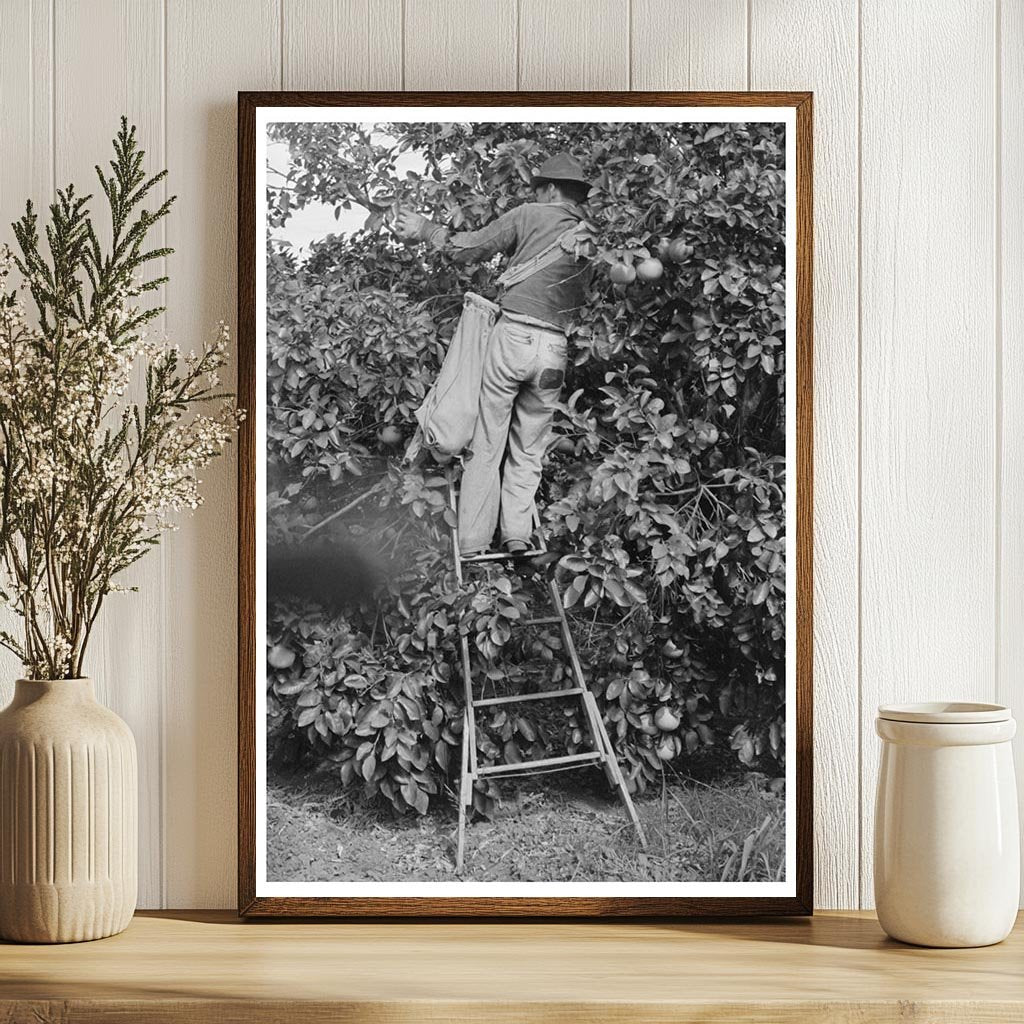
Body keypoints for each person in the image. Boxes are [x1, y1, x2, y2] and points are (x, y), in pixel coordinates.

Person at [394, 153, 592, 556]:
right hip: (555, 349)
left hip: (514, 336)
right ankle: (517, 534)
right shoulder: (592, 236)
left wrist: (425, 229)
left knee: (486, 441)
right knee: (530, 448)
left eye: (538, 190)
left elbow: (468, 248)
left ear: (549, 189)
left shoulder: (529, 215)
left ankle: (473, 540)